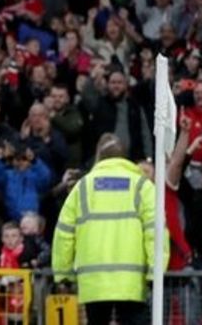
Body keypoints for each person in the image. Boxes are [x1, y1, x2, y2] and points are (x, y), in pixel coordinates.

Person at [52, 135, 163, 324]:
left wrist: (63, 275)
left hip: (94, 283)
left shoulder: (83, 187)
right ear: (125, 157)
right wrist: (156, 272)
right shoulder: (142, 186)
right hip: (132, 283)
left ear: (99, 157)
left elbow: (64, 233)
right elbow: (156, 232)